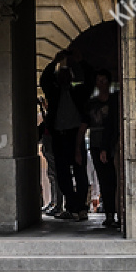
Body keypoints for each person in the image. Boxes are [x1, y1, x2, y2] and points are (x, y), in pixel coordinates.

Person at [39, 52, 90, 222]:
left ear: (71, 77)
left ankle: (80, 207)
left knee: (80, 172)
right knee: (62, 175)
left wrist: (80, 61)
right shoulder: (53, 93)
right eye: (61, 74)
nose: (64, 78)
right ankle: (74, 205)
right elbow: (44, 80)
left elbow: (90, 81)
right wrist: (55, 61)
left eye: (67, 74)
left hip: (75, 136)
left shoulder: (78, 92)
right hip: (59, 137)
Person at [88, 69, 120, 230]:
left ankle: (117, 213)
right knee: (104, 180)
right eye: (98, 81)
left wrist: (106, 147)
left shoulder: (115, 101)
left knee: (115, 181)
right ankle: (109, 214)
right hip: (97, 145)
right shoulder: (92, 102)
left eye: (104, 80)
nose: (101, 84)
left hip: (112, 144)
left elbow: (111, 126)